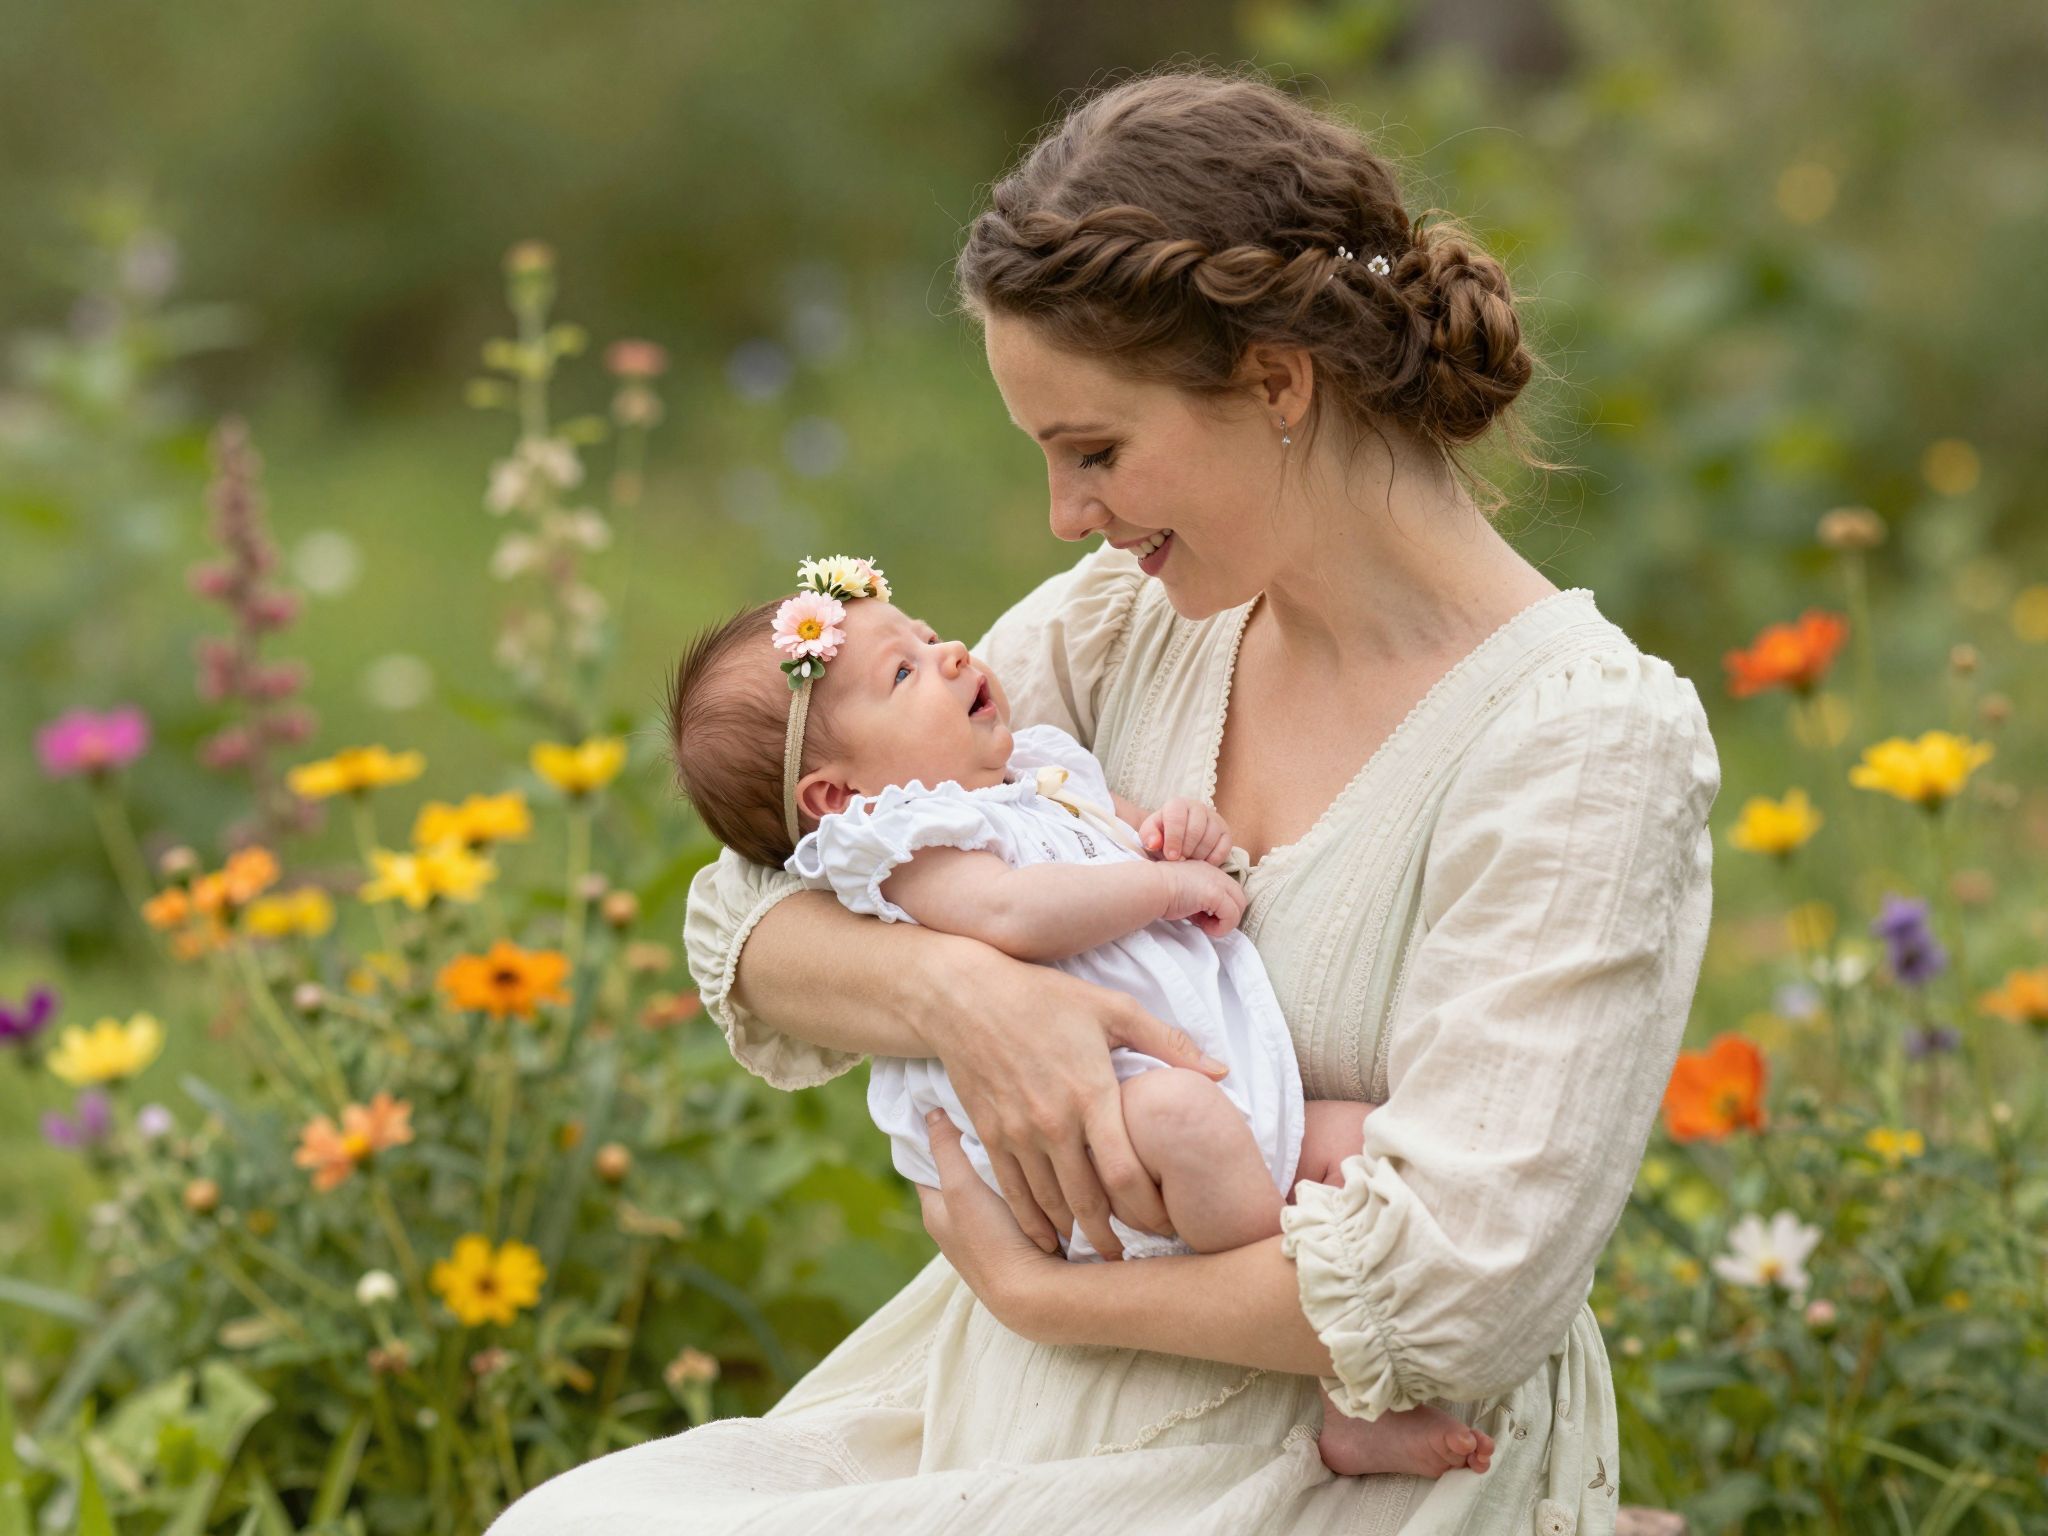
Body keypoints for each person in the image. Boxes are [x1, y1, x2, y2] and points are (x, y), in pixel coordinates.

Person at [491, 65, 1718, 1534]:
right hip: (1007, 1390)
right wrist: (968, 998)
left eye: (1097, 451)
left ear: (1278, 381)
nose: (1069, 516)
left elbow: (1456, 1294)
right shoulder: (1119, 628)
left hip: (1331, 1448)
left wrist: (1047, 1297)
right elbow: (754, 903)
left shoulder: (1579, 747)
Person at [659, 555, 1497, 1478]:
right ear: (838, 797)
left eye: (929, 638)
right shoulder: (905, 845)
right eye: (902, 674)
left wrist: (1180, 834)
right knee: (1190, 1125)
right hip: (1111, 1121)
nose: (949, 657)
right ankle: (1323, 1383)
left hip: (1227, 1082)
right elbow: (1014, 913)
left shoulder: (1030, 771)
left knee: (1366, 1146)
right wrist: (1169, 885)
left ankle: (1336, 1357)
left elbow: (1124, 832)